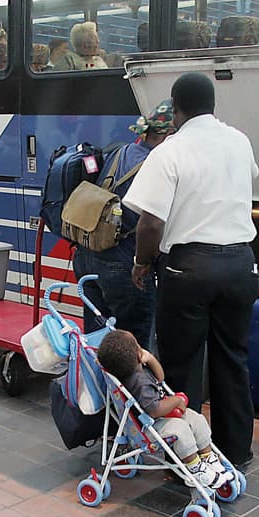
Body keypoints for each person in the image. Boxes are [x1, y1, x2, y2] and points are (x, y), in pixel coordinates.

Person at [122, 72, 259, 469]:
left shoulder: (170, 150)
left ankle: (187, 458)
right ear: (212, 104)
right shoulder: (239, 141)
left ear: (176, 109)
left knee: (182, 365)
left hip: (188, 268)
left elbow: (149, 223)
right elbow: (247, 178)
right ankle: (236, 452)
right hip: (240, 264)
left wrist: (142, 262)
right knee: (232, 359)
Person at [72, 100, 176, 349]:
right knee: (134, 352)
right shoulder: (158, 164)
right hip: (123, 266)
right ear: (170, 135)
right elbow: (152, 224)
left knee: (98, 344)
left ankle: (94, 387)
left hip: (88, 258)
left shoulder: (123, 151)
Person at [98, 329, 230, 489]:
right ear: (138, 355)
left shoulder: (139, 369)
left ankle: (208, 456)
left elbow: (160, 378)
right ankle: (195, 468)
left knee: (196, 418)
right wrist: (176, 400)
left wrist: (151, 359)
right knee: (181, 429)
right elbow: (154, 410)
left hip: (161, 417)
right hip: (150, 426)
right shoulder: (140, 384)